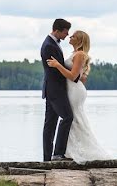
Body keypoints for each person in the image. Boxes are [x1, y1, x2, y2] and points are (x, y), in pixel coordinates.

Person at [46, 30, 110, 162]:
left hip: (74, 90)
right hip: (72, 89)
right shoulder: (75, 54)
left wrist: (57, 65)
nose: (70, 36)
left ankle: (70, 151)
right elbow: (81, 77)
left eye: (73, 36)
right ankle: (68, 151)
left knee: (73, 118)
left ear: (80, 40)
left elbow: (73, 76)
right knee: (73, 118)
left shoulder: (80, 54)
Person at [41, 18, 73, 161]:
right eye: (66, 32)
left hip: (53, 89)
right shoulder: (49, 45)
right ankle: (58, 154)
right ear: (57, 30)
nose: (67, 35)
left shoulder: (52, 43)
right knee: (67, 117)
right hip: (55, 90)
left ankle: (48, 158)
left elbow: (58, 66)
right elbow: (54, 71)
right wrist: (74, 75)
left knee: (50, 124)